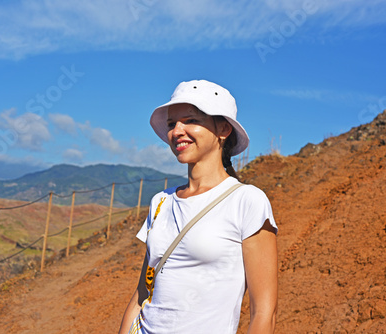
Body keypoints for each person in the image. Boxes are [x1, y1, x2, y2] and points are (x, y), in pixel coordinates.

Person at [119, 79, 278, 334]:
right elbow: (142, 295)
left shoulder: (247, 201)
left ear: (223, 129)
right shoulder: (160, 202)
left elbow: (263, 312)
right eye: (172, 124)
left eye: (191, 120)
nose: (177, 131)